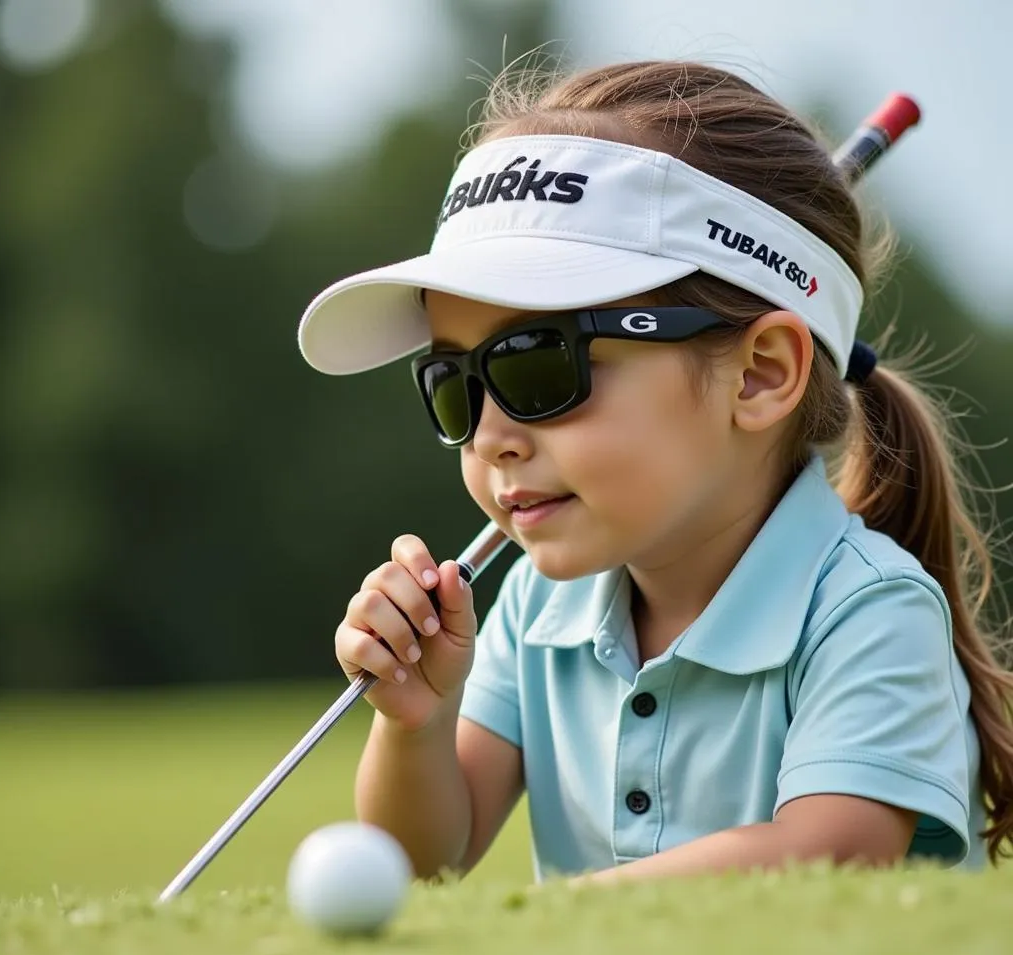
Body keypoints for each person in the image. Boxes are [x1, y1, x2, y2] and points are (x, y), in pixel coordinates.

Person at [297, 60, 1013, 883]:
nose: (490, 435)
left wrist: (537, 925)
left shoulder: (868, 609)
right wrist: (415, 724)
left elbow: (831, 849)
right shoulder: (539, 605)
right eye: (454, 384)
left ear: (761, 374)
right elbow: (425, 860)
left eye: (537, 367)